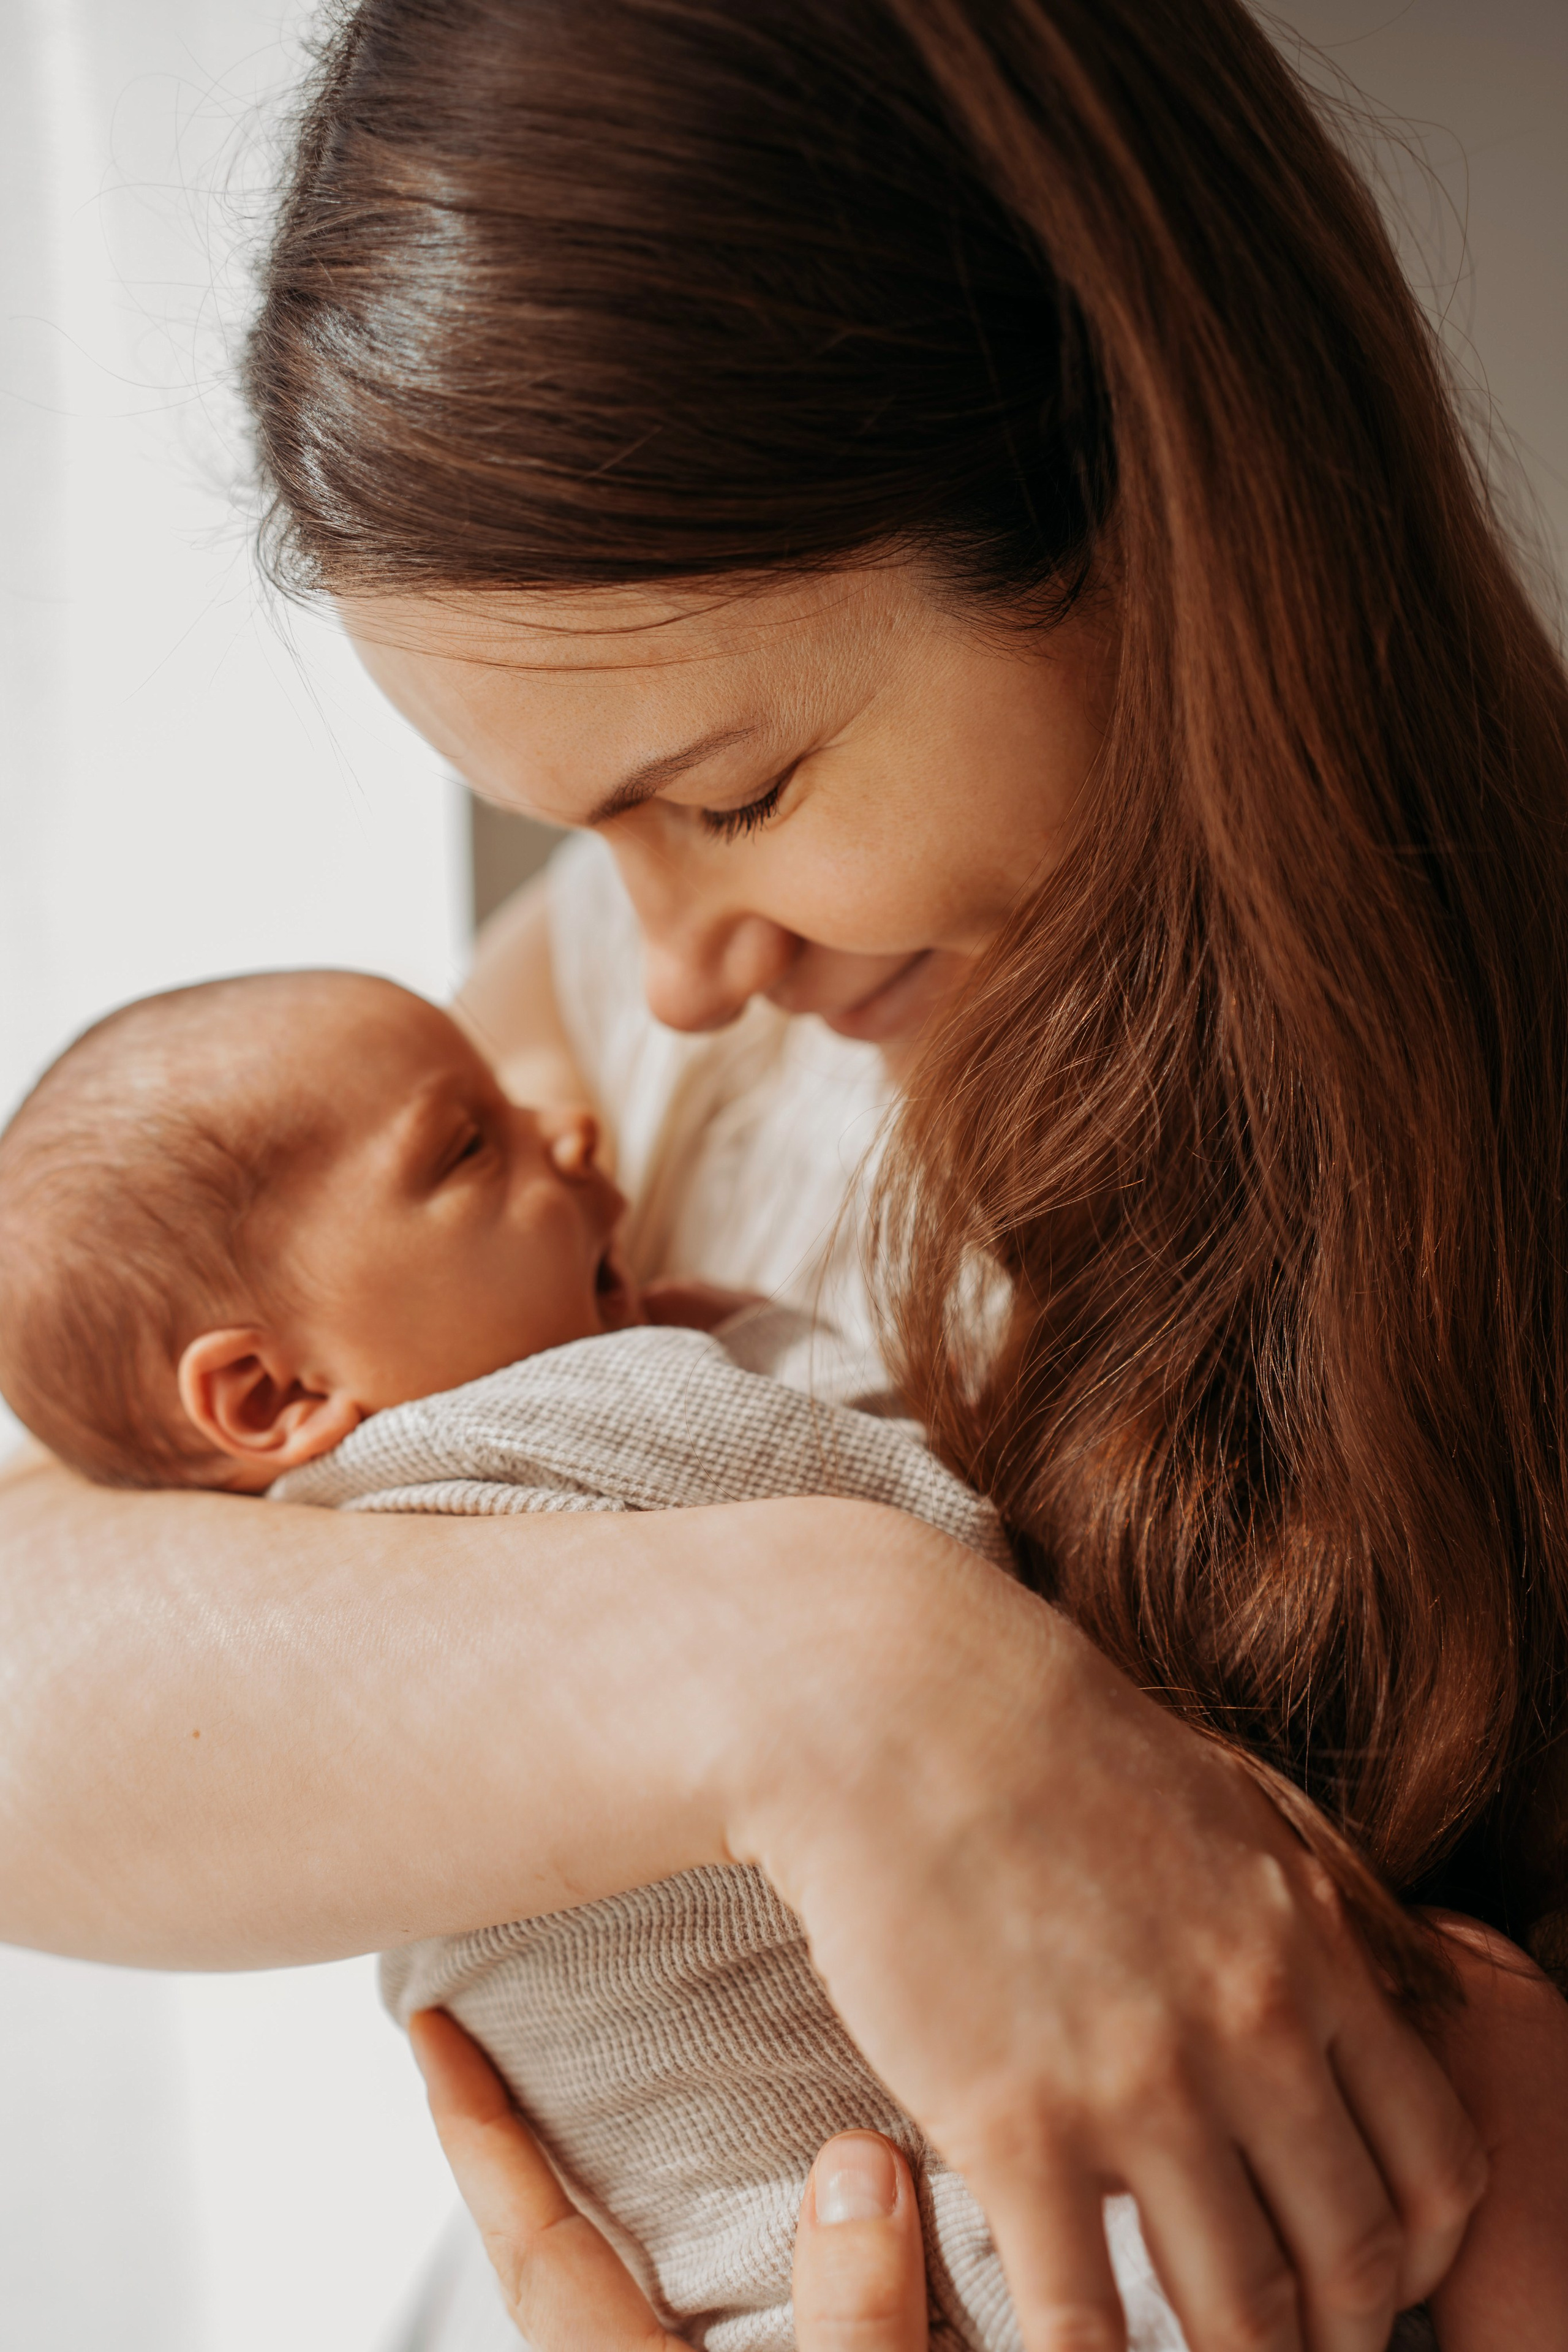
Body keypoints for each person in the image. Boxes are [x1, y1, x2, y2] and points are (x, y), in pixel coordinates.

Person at [2, 0, 1566, 2343]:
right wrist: (842, 1673)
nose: (678, 973)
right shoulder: (655, 1055)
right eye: (586, 828)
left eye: (730, 795)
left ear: (1160, 508)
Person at [0, 974, 1562, 2343]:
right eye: (467, 1145)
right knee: (1479, 2031)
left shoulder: (335, 1560)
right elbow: (939, 1517)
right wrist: (761, 1361)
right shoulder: (560, 1426)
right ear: (271, 1400)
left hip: (753, 2270)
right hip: (975, 2228)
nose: (571, 1126)